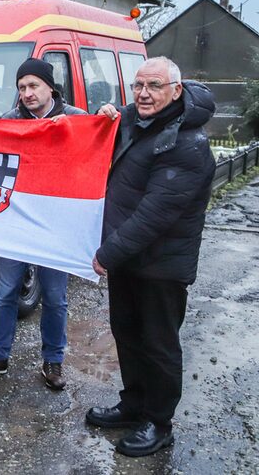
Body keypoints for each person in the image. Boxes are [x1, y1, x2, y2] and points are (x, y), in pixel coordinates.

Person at [87, 57, 215, 457]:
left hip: (161, 266)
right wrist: (105, 114)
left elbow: (154, 215)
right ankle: (133, 404)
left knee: (158, 344)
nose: (143, 93)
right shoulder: (140, 120)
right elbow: (118, 125)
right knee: (126, 333)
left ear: (176, 91)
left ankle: (159, 423)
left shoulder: (187, 144)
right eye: (138, 85)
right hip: (129, 260)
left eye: (154, 86)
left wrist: (107, 253)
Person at [0, 58, 86, 390]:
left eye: (34, 86)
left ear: (50, 87)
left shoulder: (76, 120)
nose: (27, 93)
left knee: (55, 296)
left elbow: (96, 151)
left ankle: (53, 360)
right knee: (5, 293)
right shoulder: (9, 120)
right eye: (22, 87)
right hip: (15, 223)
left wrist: (107, 117)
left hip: (55, 225)